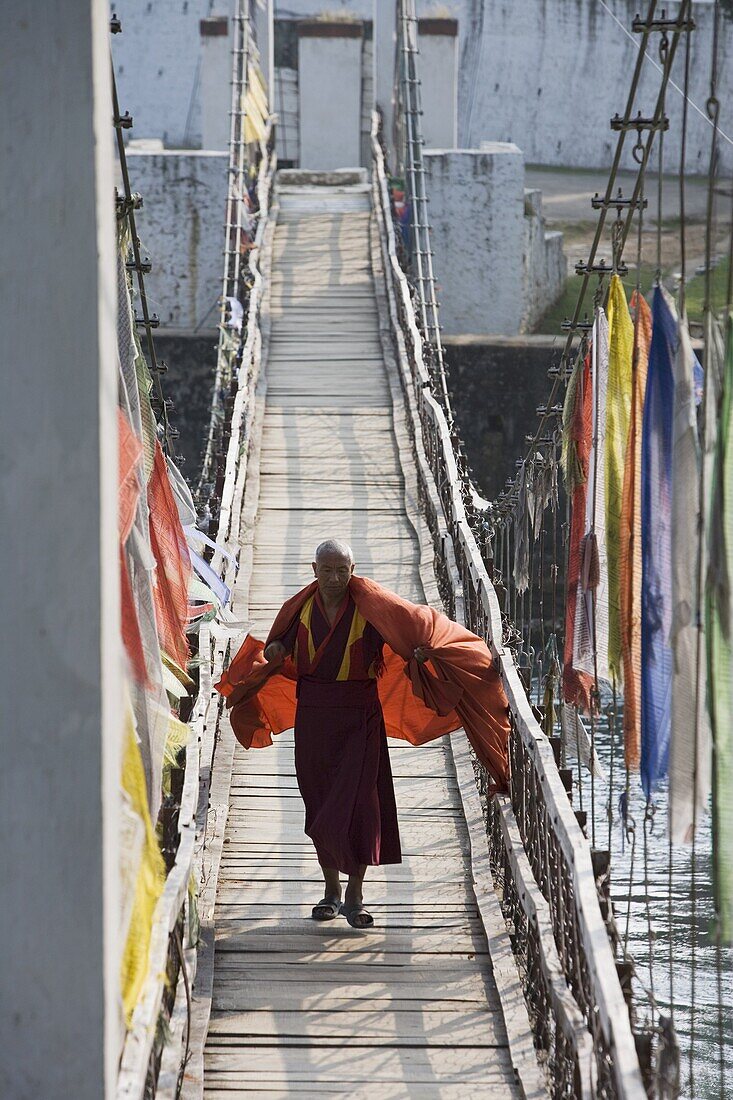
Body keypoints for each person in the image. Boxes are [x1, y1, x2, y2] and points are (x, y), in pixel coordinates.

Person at [216, 539, 511, 929]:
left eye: (343, 570)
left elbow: (406, 631)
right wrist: (273, 650)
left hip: (360, 716)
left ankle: (355, 895)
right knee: (321, 805)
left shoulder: (370, 607)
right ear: (314, 569)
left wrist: (421, 653)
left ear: (352, 570)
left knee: (362, 805)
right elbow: (280, 643)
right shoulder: (300, 608)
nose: (336, 578)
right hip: (315, 717)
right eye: (328, 570)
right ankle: (330, 891)